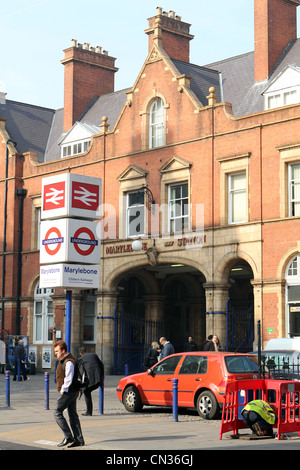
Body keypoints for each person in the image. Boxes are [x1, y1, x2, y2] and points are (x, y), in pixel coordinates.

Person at [54, 340, 85, 448]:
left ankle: (68, 437)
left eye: (57, 351)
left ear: (63, 351)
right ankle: (79, 439)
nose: (55, 353)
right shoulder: (64, 360)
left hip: (69, 391)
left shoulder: (69, 361)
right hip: (72, 391)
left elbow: (69, 377)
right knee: (72, 415)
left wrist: (63, 389)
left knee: (57, 412)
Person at [78, 346, 104, 416]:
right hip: (99, 378)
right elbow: (101, 365)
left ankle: (89, 411)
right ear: (86, 351)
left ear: (80, 354)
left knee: (86, 391)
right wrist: (102, 377)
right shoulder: (94, 355)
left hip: (92, 379)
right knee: (87, 391)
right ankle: (90, 411)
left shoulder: (80, 359)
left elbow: (81, 372)